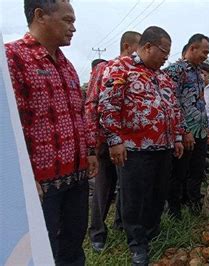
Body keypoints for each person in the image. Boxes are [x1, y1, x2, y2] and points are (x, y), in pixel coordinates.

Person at [5, 0, 98, 264]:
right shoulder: (12, 58)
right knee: (42, 252)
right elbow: (10, 127)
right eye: (68, 20)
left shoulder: (66, 64)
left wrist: (90, 151)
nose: (74, 28)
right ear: (40, 16)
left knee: (72, 246)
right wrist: (21, 178)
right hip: (41, 186)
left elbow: (79, 113)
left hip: (76, 179)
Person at [98, 26, 184, 265]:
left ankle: (151, 232)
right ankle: (137, 243)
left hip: (163, 147)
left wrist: (176, 137)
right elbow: (108, 106)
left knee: (157, 194)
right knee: (135, 196)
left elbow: (174, 109)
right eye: (163, 51)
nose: (167, 56)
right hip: (134, 149)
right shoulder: (120, 68)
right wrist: (115, 141)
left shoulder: (163, 77)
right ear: (147, 47)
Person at [85, 31, 141, 252]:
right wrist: (93, 142)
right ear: (127, 46)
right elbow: (91, 106)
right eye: (139, 48)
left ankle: (120, 225)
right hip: (105, 140)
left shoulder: (139, 72)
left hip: (131, 142)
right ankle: (97, 233)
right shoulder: (104, 68)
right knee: (103, 188)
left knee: (125, 188)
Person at [164, 34, 209, 217]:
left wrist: (206, 128)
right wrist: (185, 131)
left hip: (199, 132)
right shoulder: (175, 71)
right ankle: (174, 210)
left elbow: (199, 102)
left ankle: (194, 205)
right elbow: (173, 102)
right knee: (178, 173)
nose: (206, 55)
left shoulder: (198, 73)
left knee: (197, 171)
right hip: (183, 134)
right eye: (204, 51)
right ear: (192, 48)